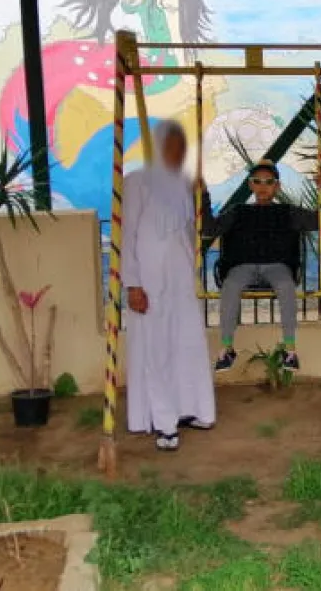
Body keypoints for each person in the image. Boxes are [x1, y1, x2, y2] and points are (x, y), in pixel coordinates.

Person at [122, 120, 215, 452]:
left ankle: (190, 408)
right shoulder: (137, 182)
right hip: (149, 281)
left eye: (181, 147)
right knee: (156, 349)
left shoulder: (186, 184)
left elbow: (196, 230)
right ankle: (164, 423)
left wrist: (203, 194)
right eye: (171, 146)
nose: (177, 152)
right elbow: (128, 234)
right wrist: (132, 284)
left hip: (180, 280)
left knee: (187, 343)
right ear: (159, 147)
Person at [201, 160, 321, 373]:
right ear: (250, 185)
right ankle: (227, 348)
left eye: (269, 182)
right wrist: (203, 195)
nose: (263, 186)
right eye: (257, 181)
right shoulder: (238, 212)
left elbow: (319, 221)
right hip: (243, 266)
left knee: (286, 286)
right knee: (231, 286)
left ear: (277, 186)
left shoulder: (287, 212)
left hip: (276, 266)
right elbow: (209, 229)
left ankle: (290, 350)